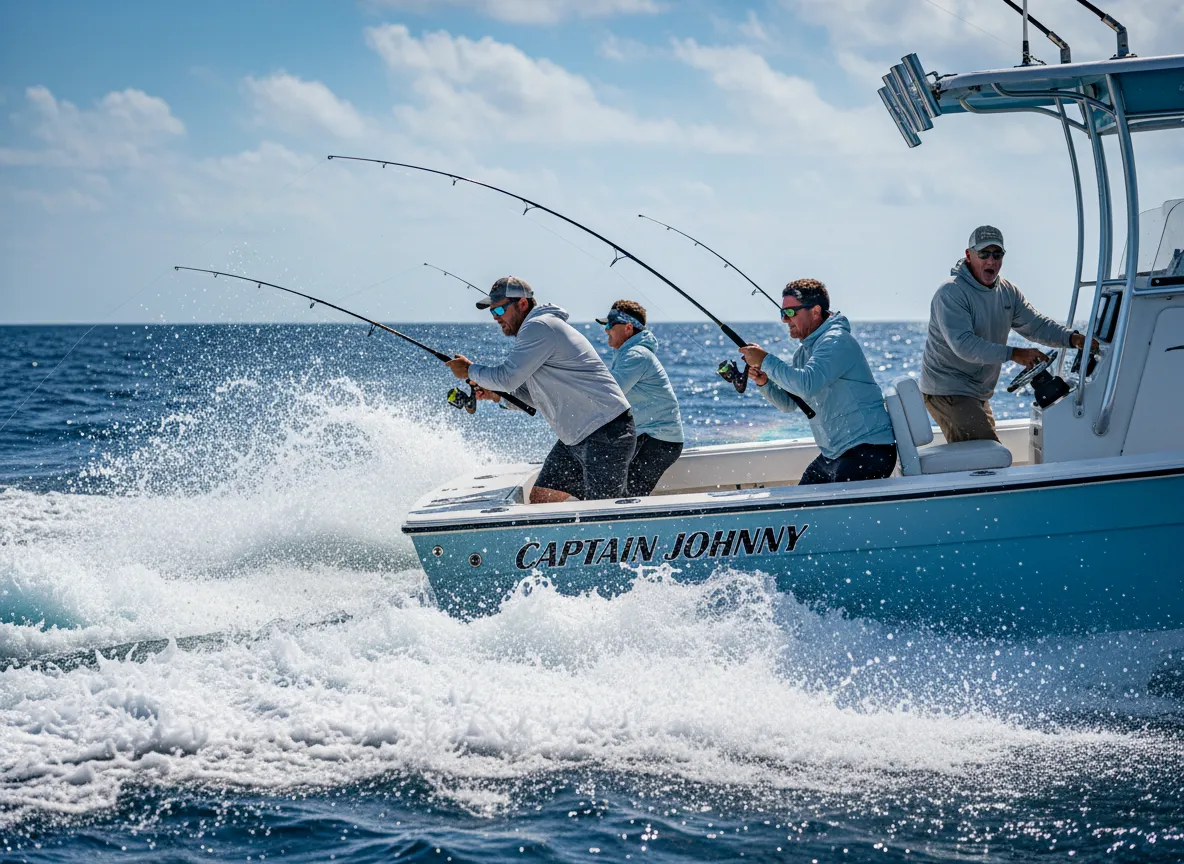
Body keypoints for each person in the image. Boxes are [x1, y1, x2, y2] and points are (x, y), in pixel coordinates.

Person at [445, 276, 635, 504]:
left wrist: (469, 370)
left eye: (500, 310)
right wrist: (496, 395)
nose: (496, 318)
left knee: (602, 513)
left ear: (522, 304)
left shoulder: (540, 326)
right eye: (492, 313)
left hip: (606, 432)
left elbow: (506, 377)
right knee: (541, 500)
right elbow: (532, 397)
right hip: (575, 438)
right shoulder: (535, 333)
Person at [920, 225, 1097, 443]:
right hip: (948, 390)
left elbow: (1036, 326)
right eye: (983, 254)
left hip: (977, 393)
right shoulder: (951, 292)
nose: (991, 261)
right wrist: (1015, 354)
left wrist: (1072, 338)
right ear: (968, 255)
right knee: (988, 456)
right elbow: (964, 345)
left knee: (986, 456)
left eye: (997, 254)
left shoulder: (1007, 291)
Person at [738, 279, 897, 485]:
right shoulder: (803, 353)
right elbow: (789, 404)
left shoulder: (835, 341)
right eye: (782, 313)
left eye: (790, 312)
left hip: (868, 450)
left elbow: (806, 384)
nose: (785, 320)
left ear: (815, 311)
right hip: (835, 454)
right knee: (800, 506)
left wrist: (765, 360)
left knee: (834, 513)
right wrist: (764, 382)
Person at [596, 300, 684, 496]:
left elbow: (610, 394)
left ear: (628, 328)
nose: (606, 330)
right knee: (613, 489)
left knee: (626, 497)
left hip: (658, 440)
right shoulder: (627, 353)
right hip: (648, 436)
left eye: (610, 325)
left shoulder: (636, 355)